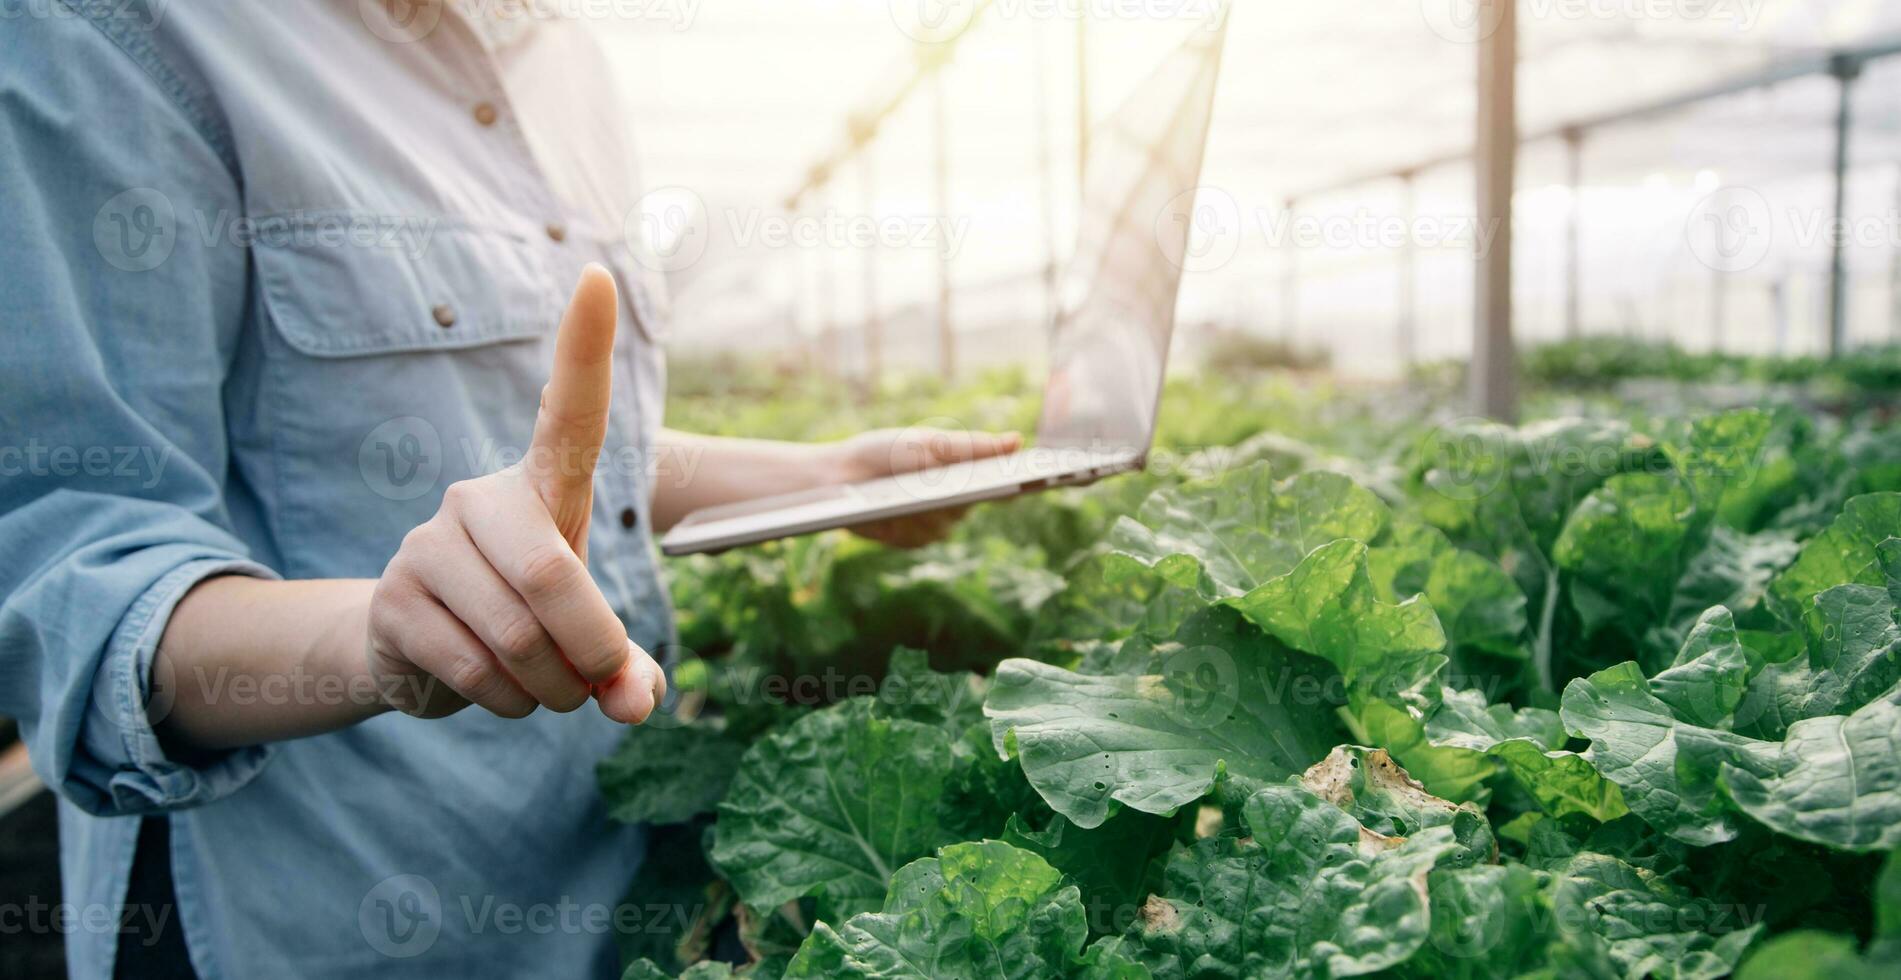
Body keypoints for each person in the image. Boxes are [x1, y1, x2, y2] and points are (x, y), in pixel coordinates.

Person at [0, 3, 1017, 975]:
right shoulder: (109, 31)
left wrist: (825, 473)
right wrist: (383, 634)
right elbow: (76, 572)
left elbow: (554, 449)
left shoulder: (563, 54)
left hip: (604, 883)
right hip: (328, 916)